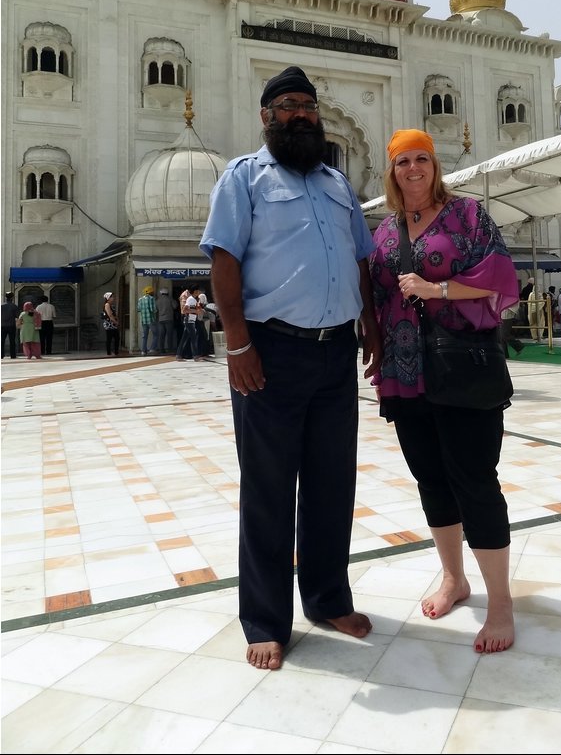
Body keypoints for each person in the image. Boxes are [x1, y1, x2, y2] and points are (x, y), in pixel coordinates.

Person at [199, 64, 382, 671]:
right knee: (269, 488)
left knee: (333, 484)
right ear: (266, 116)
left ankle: (328, 599)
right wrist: (237, 343)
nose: (301, 114)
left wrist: (371, 328)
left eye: (308, 104)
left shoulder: (336, 184)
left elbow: (360, 259)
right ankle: (266, 619)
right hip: (271, 353)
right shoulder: (243, 179)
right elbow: (224, 260)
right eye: (288, 105)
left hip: (335, 353)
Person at [369, 128, 518, 654]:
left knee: (474, 480)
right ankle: (454, 578)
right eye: (403, 161)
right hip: (406, 372)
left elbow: (501, 277)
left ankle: (500, 603)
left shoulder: (467, 216)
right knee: (431, 480)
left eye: (422, 160)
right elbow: (378, 295)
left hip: (461, 365)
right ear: (392, 170)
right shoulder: (385, 232)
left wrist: (439, 289)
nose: (413, 169)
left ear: (435, 165)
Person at [175, 287, 207, 362]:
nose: (199, 292)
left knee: (184, 338)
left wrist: (199, 310)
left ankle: (178, 355)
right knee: (193, 338)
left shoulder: (193, 299)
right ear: (195, 291)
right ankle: (195, 356)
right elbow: (184, 310)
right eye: (198, 290)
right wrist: (196, 311)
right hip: (189, 320)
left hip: (191, 320)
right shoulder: (191, 299)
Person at [137, 285, 159, 355]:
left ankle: (143, 351)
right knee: (156, 334)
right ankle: (152, 349)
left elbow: (139, 309)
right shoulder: (152, 299)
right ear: (151, 292)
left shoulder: (140, 299)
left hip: (143, 320)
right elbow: (154, 310)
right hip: (151, 320)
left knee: (144, 336)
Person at [156, 288, 176, 353]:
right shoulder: (170, 299)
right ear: (167, 293)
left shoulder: (158, 300)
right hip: (169, 318)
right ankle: (170, 349)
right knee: (169, 335)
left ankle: (161, 350)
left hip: (161, 319)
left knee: (161, 335)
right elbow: (175, 306)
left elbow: (156, 309)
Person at [1, 291, 20, 358]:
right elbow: (17, 316)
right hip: (11, 325)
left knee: (1, 341)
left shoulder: (1, 306)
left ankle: (1, 355)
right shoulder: (14, 306)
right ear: (12, 298)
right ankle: (13, 355)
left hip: (2, 325)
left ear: (5, 297)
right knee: (12, 341)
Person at [102, 291, 120, 356]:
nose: (113, 298)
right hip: (109, 324)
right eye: (111, 297)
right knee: (109, 338)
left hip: (113, 324)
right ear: (108, 298)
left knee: (116, 338)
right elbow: (110, 315)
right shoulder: (107, 305)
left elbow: (114, 314)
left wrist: (117, 319)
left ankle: (116, 352)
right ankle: (109, 352)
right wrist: (115, 322)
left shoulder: (111, 305)